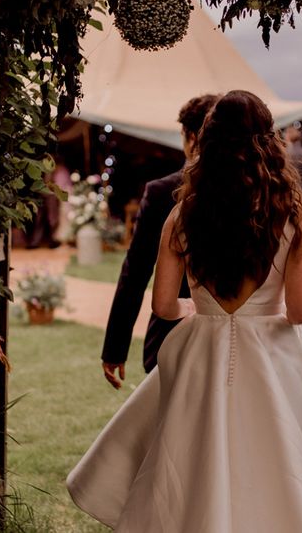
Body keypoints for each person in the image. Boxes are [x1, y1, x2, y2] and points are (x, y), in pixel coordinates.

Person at [67, 90, 302, 532]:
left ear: (204, 141)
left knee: (194, 463)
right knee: (281, 460)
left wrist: (198, 308)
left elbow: (162, 305)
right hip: (272, 356)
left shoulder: (182, 214)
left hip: (202, 351)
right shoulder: (293, 214)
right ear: (268, 142)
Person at [100, 94, 218, 385]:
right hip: (232, 340)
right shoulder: (253, 193)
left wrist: (115, 348)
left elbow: (135, 273)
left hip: (171, 334)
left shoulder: (162, 192)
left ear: (191, 137)